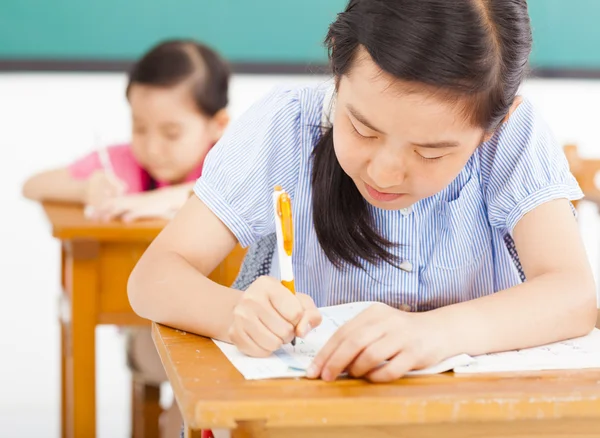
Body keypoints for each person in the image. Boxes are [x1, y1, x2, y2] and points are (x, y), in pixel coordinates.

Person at [128, 0, 597, 392]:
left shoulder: (515, 139)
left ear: (498, 123)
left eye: (431, 152)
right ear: (338, 72)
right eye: (362, 128)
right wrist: (233, 313)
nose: (385, 171)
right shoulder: (286, 125)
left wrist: (435, 334)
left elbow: (572, 295)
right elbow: (153, 277)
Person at [24, 39, 231, 438]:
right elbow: (33, 184)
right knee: (177, 388)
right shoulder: (124, 166)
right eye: (139, 127)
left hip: (228, 338)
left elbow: (252, 189)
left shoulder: (232, 159)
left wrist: (161, 199)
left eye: (171, 132)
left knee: (201, 403)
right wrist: (89, 189)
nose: (152, 147)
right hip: (149, 337)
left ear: (217, 126)